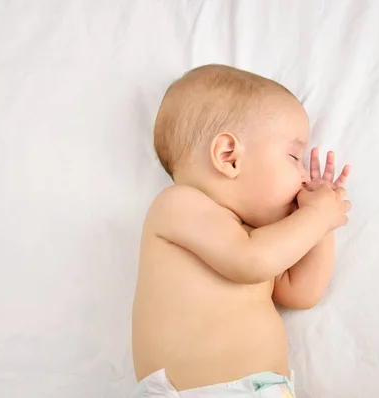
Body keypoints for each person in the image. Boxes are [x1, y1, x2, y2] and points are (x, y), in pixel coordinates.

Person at [132, 64, 351, 397]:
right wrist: (317, 217)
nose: (304, 175)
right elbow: (250, 261)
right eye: (293, 156)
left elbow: (302, 292)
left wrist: (321, 224)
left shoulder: (258, 238)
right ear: (229, 156)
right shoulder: (177, 205)